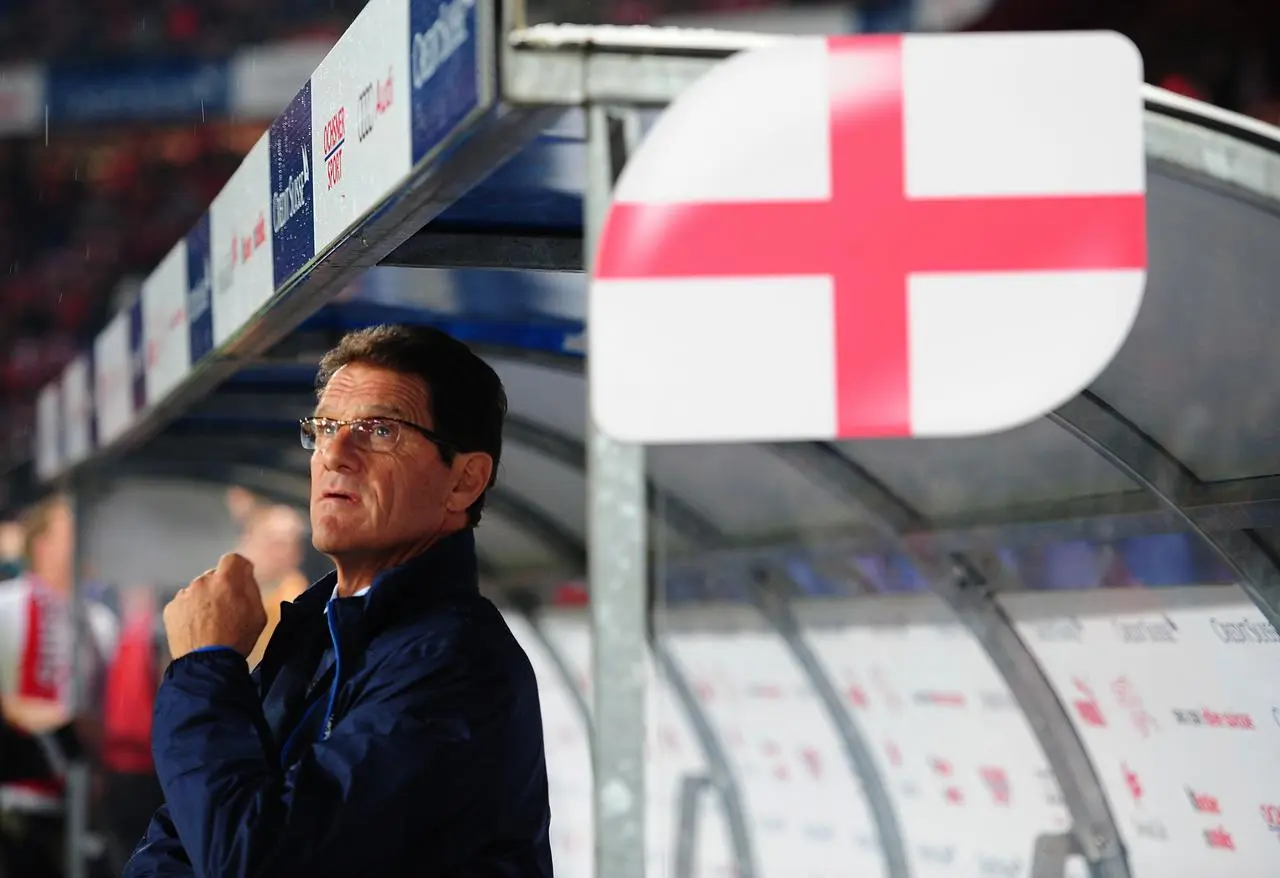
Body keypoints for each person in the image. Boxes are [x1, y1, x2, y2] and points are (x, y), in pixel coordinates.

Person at [124, 325, 553, 878]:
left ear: (465, 482)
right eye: (324, 428)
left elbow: (253, 861)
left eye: (379, 430)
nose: (335, 454)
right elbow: (187, 832)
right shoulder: (312, 628)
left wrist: (205, 666)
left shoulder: (456, 662)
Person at [236, 504, 311, 667]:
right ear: (248, 540)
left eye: (290, 545)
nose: (283, 553)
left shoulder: (296, 600)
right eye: (275, 543)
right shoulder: (223, 585)